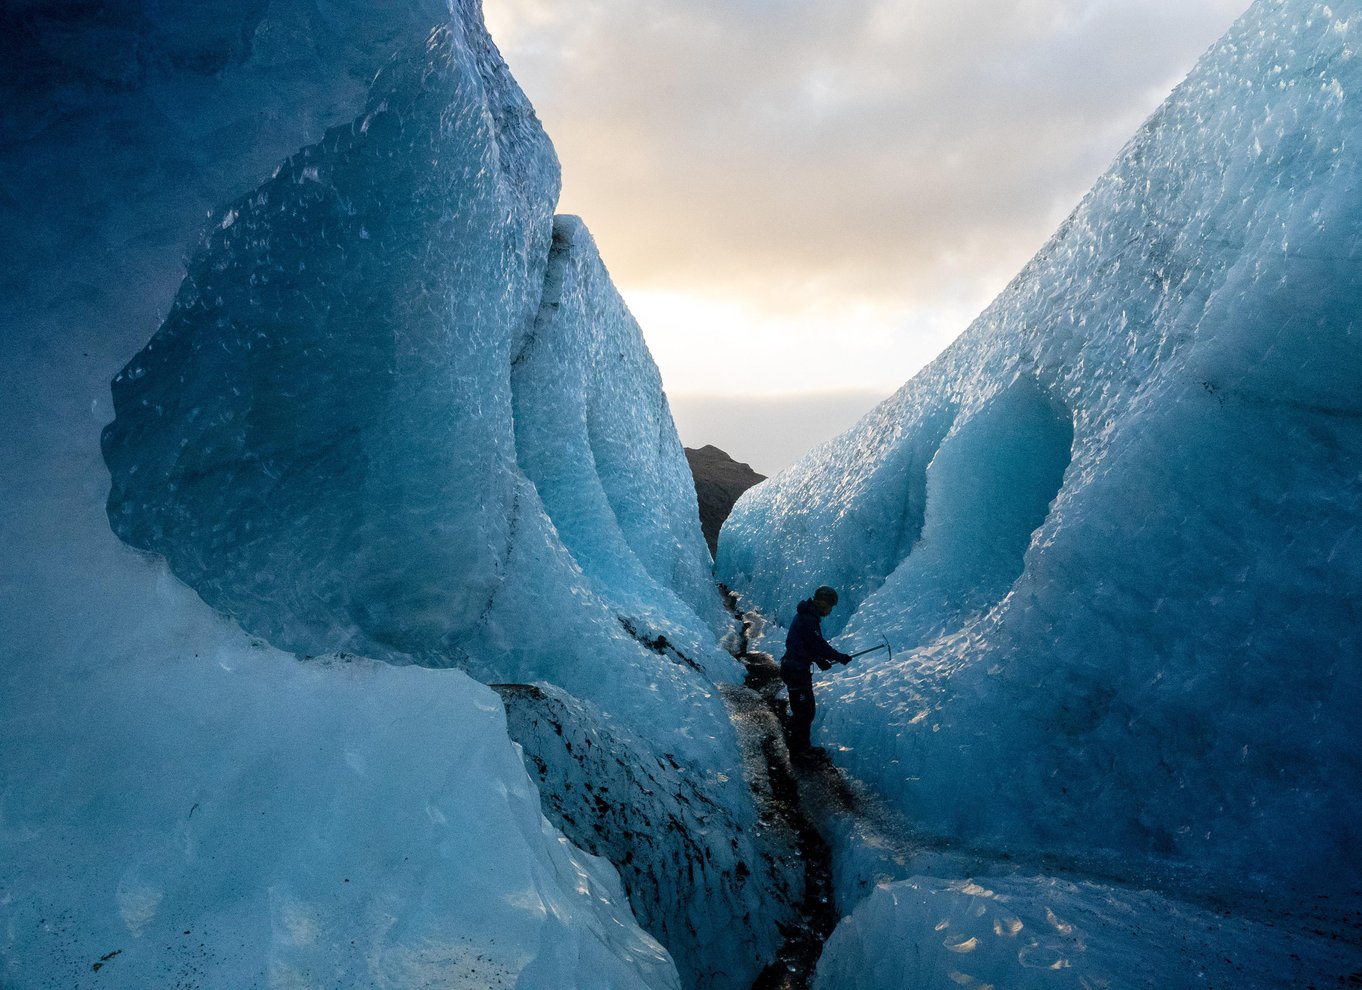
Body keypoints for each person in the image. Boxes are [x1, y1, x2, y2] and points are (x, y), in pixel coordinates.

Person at [779, 585, 851, 758]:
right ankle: (799, 751)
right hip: (795, 671)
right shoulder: (808, 619)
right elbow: (818, 644)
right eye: (828, 606)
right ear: (819, 602)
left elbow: (806, 644)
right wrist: (839, 656)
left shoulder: (807, 616)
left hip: (794, 668)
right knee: (804, 711)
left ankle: (800, 747)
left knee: (803, 710)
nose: (829, 611)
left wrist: (818, 660)